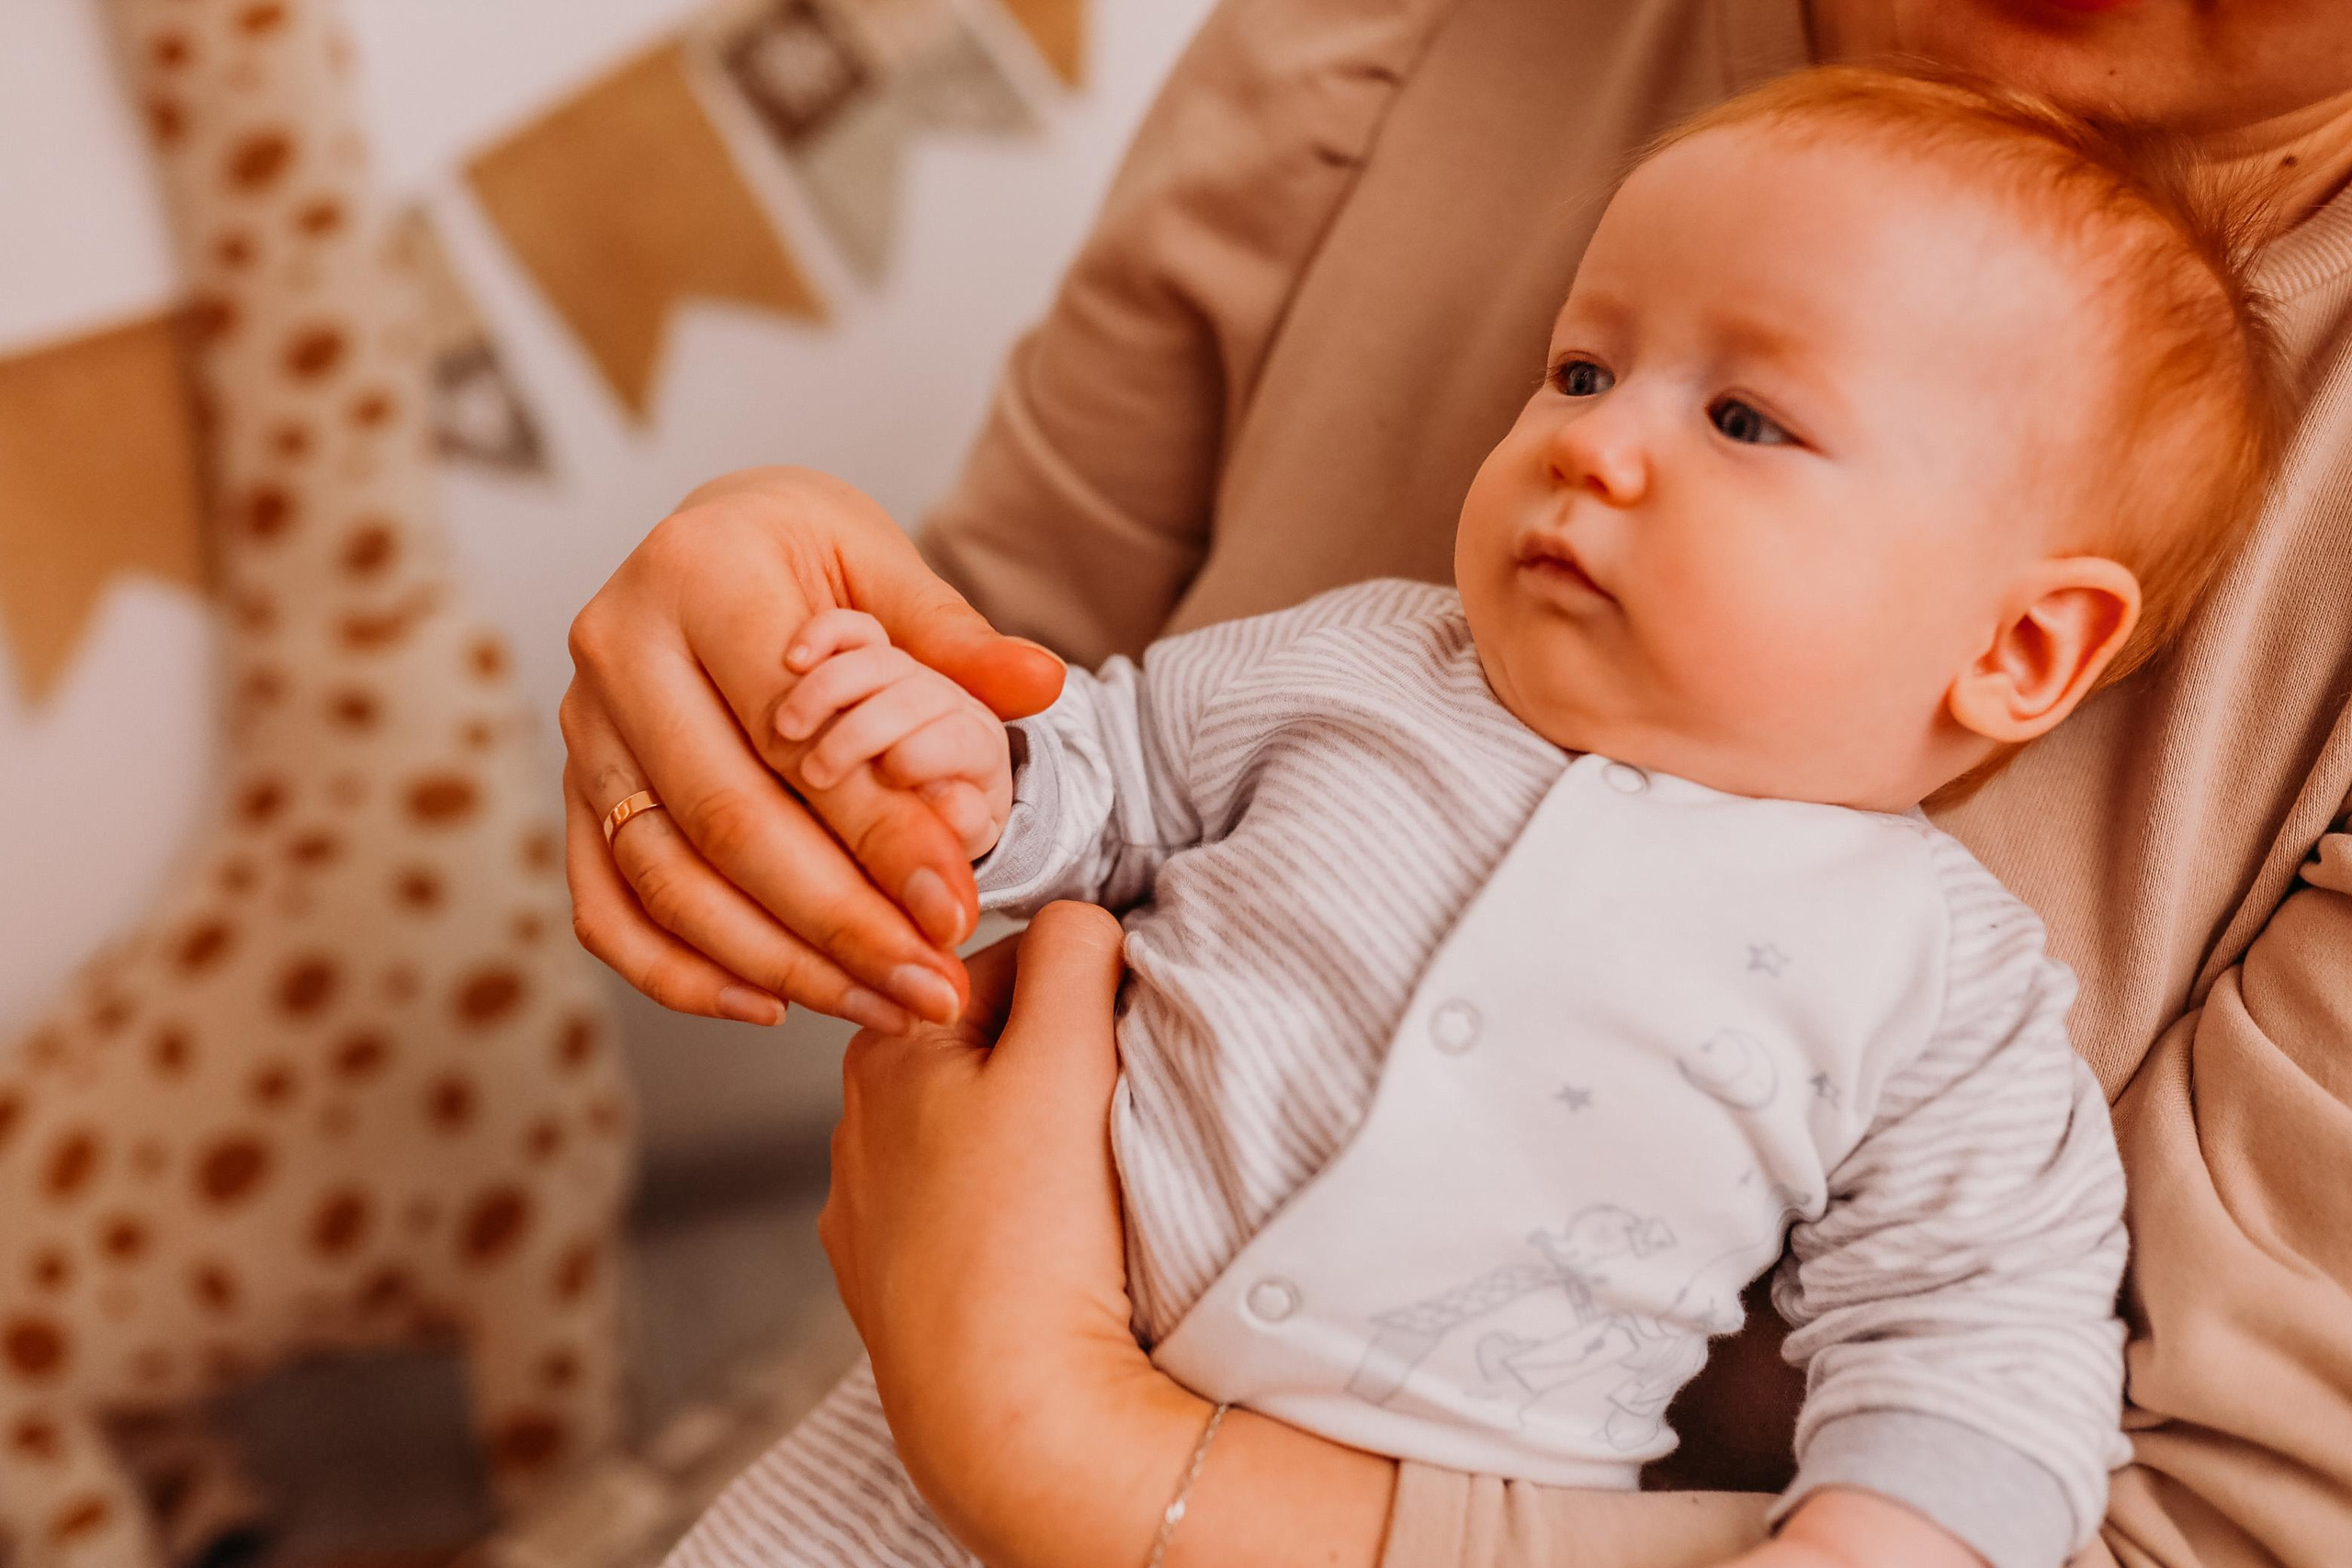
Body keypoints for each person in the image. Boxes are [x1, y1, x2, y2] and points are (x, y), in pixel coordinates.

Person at [560, 2, 2352, 1563]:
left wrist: (1884, 1530)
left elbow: (1985, 1330)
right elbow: (1068, 762)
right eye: (1578, 367)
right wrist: (866, 714)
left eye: (1742, 420)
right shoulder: (1353, 660)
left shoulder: (1940, 984)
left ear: (2022, 650)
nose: (1594, 442)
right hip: (872, 1490)